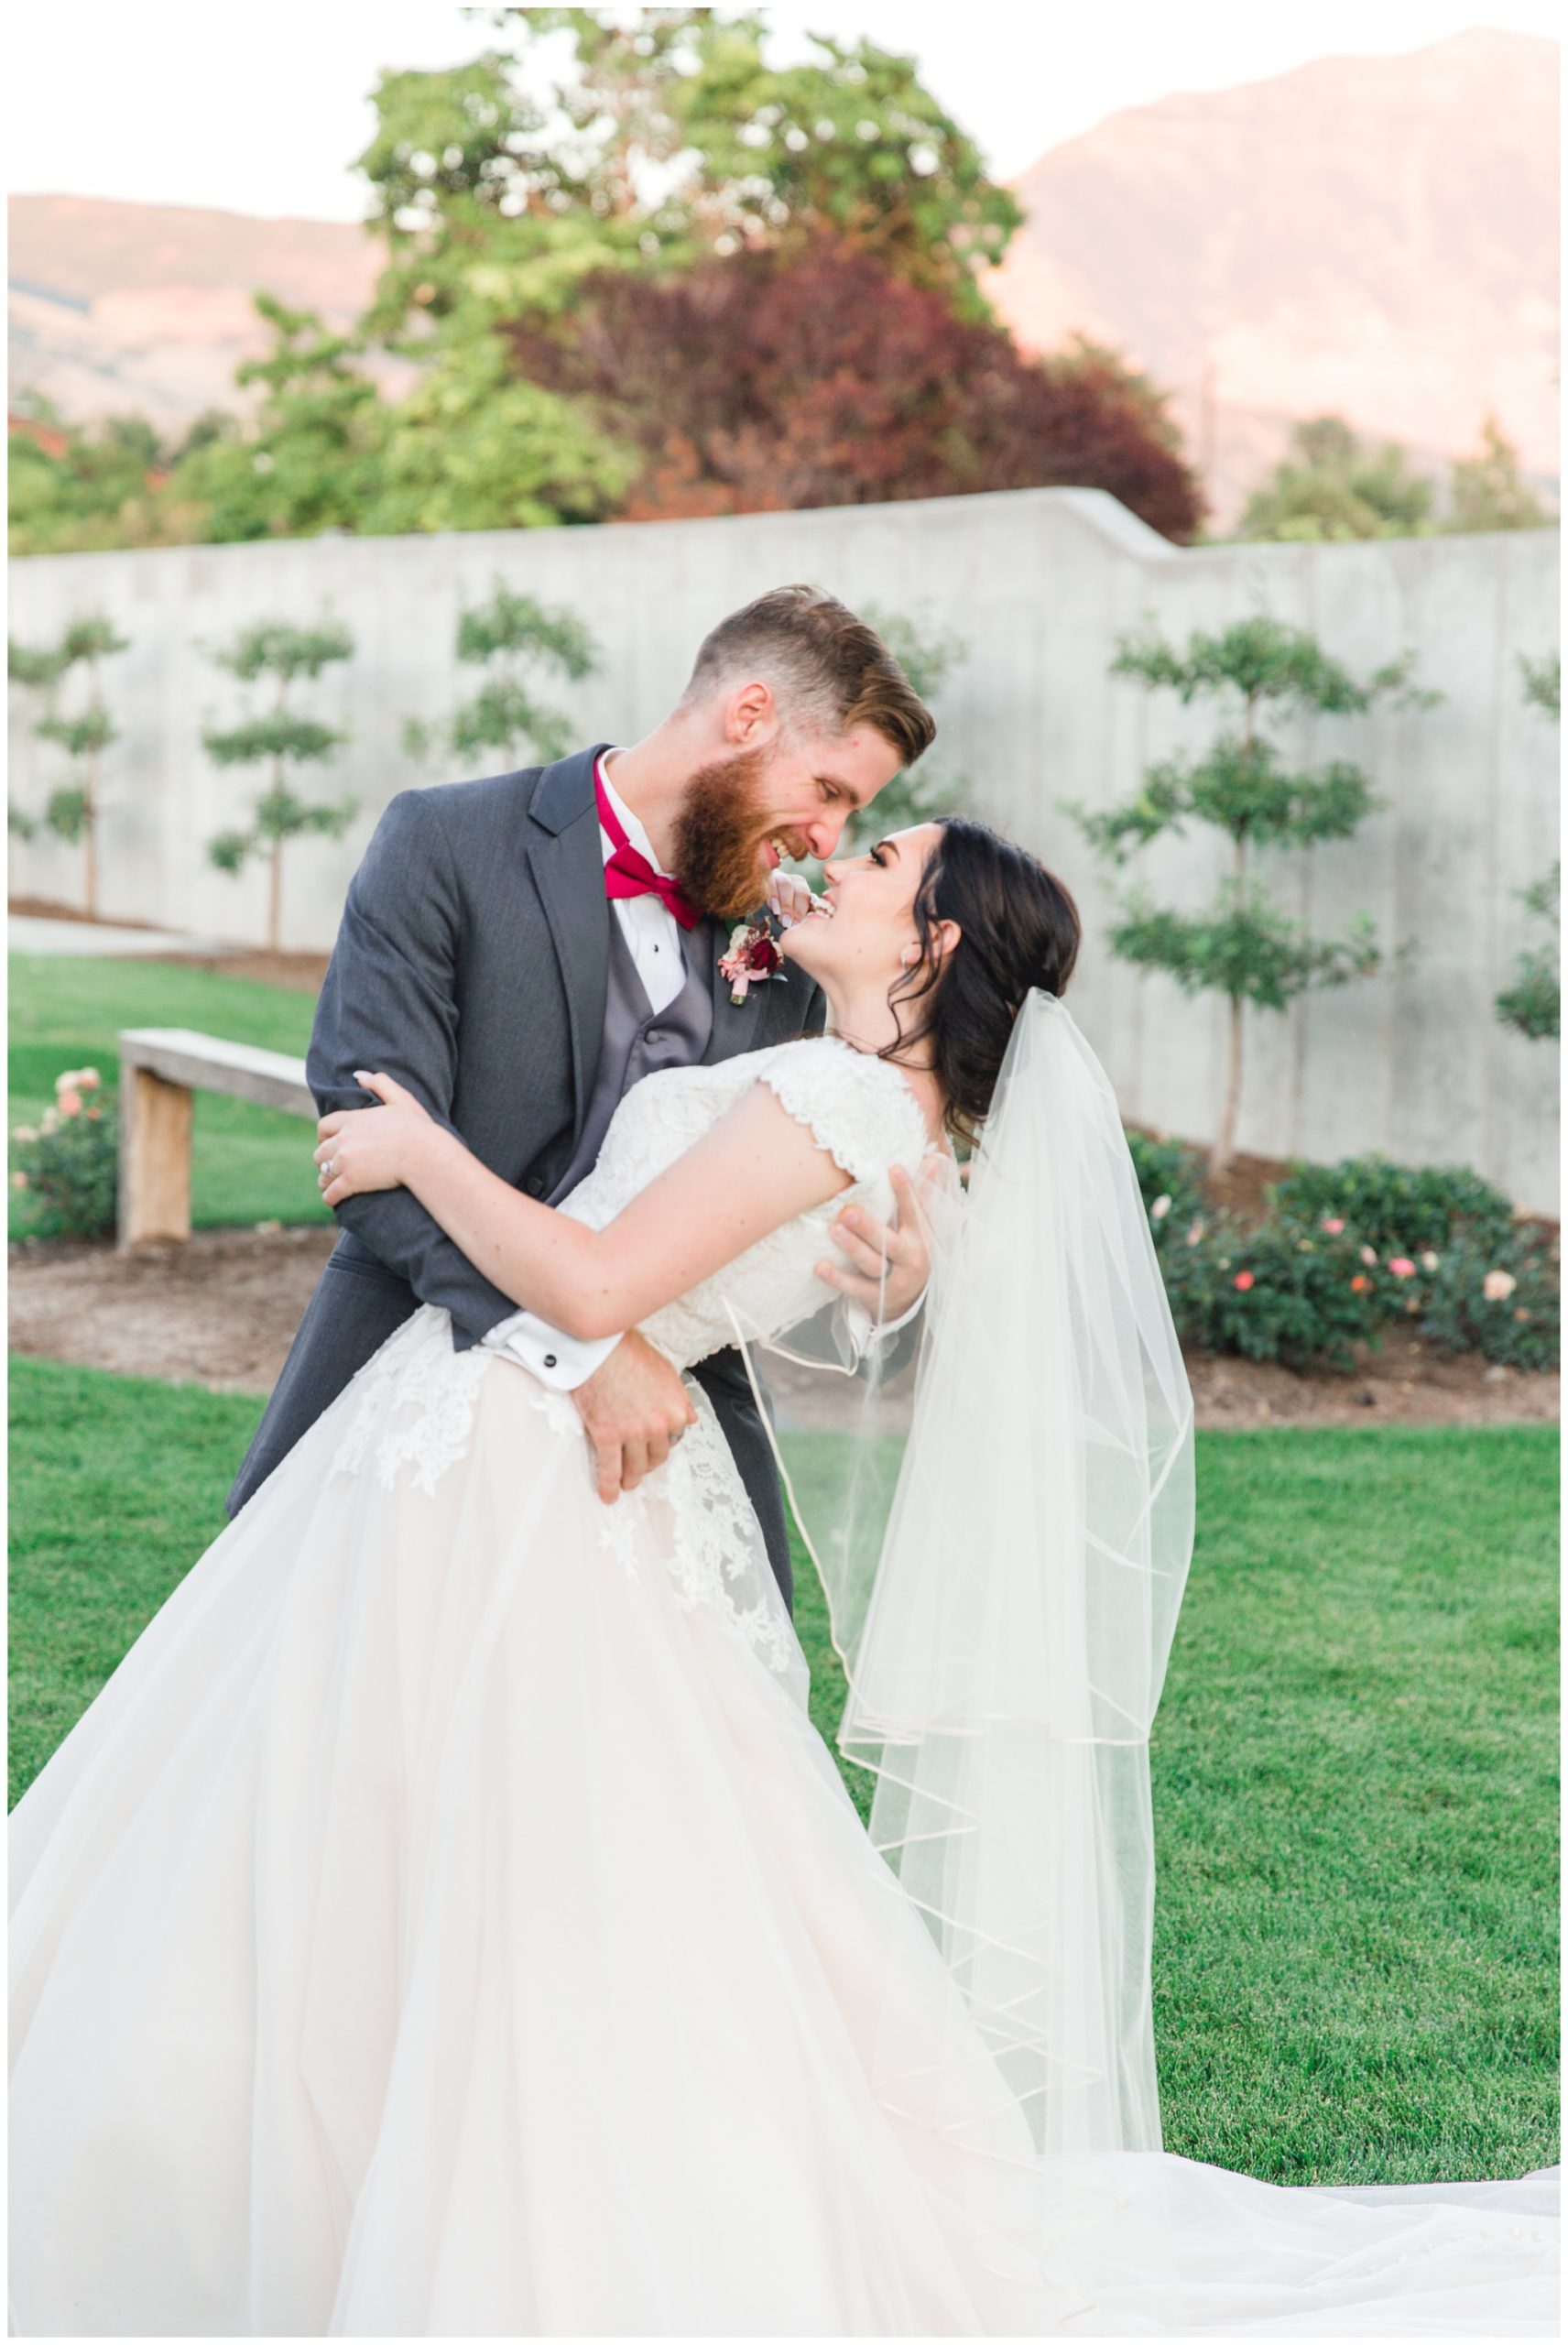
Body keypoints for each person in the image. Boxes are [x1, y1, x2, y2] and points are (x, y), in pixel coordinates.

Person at [10, 820, 1554, 2336]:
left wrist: (422, 1148)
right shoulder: (885, 1119)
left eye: (881, 864)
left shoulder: (833, 1094)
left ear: (931, 945)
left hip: (531, 1463)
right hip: (522, 1454)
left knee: (436, 1848)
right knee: (476, 1853)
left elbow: (601, 1281)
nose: (842, 858)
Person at [225, 582, 938, 1612]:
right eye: (827, 788)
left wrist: (886, 1285)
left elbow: (778, 1200)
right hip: (410, 1384)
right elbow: (365, 1131)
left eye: (850, 815)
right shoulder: (445, 841)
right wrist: (580, 1347)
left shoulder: (793, 953)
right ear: (747, 717)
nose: (826, 839)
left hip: (671, 1439)